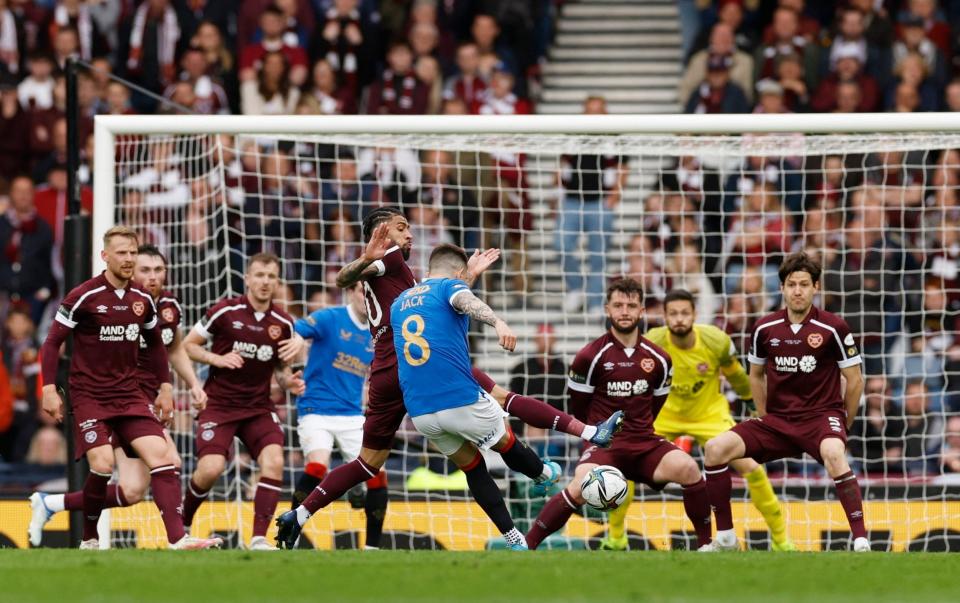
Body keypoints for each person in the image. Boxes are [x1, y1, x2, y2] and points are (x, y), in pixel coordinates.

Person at [275, 208, 623, 548]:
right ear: (381, 235)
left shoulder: (399, 283)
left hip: (385, 373)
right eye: (401, 227)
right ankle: (557, 464)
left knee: (367, 464)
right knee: (503, 404)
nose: (409, 234)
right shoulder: (390, 258)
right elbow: (345, 278)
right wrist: (368, 257)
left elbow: (435, 300)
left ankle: (301, 515)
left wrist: (464, 277)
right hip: (420, 366)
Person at [37, 226, 220, 550]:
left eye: (132, 253)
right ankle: (89, 536)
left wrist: (166, 387)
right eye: (122, 253)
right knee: (103, 464)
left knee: (164, 459)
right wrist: (49, 388)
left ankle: (178, 539)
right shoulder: (83, 296)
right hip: (90, 395)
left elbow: (157, 345)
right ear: (105, 256)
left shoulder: (143, 299)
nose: (128, 259)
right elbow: (51, 344)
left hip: (129, 395)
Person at [389, 243, 565, 549]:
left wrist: (466, 276)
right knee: (506, 442)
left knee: (472, 466)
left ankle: (513, 538)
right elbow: (464, 300)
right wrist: (497, 322)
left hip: (420, 412)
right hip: (459, 399)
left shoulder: (400, 302)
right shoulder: (451, 287)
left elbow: (444, 308)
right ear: (458, 273)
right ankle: (543, 474)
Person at [525, 278, 715, 550]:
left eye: (631, 305)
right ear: (607, 309)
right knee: (579, 485)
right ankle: (527, 544)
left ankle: (707, 545)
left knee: (689, 468)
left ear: (641, 311)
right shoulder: (589, 356)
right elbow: (579, 407)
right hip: (605, 445)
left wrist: (640, 431)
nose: (624, 311)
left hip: (644, 443)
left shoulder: (660, 358)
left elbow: (655, 405)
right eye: (618, 305)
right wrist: (595, 436)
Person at [600, 289, 795, 551]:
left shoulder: (715, 341)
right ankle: (615, 537)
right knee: (625, 468)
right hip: (664, 416)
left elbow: (736, 374)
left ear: (694, 314)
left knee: (751, 468)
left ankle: (781, 539)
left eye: (684, 313)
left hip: (709, 415)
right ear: (665, 317)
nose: (679, 319)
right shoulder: (652, 343)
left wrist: (751, 400)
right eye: (673, 314)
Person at [702, 252, 868, 552]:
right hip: (778, 421)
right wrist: (766, 416)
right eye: (792, 284)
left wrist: (844, 422)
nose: (798, 291)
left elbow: (855, 380)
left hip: (820, 418)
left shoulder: (834, 327)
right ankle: (725, 536)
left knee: (834, 451)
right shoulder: (764, 328)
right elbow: (755, 375)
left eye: (804, 284)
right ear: (782, 288)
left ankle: (860, 539)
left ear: (815, 287)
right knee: (715, 449)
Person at [180, 252, 305, 551]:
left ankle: (259, 539)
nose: (264, 282)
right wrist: (217, 358)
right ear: (247, 278)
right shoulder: (224, 311)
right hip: (219, 405)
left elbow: (280, 368)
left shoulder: (283, 323)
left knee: (274, 462)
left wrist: (288, 381)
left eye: (271, 277)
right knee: (210, 469)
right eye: (259, 275)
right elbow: (187, 345)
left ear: (277, 283)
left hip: (257, 407)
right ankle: (182, 526)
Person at [288, 282, 388, 549]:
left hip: (352, 415)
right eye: (362, 292)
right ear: (350, 292)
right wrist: (297, 339)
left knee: (378, 473)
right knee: (317, 467)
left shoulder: (378, 331)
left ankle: (373, 548)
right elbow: (297, 328)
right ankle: (291, 534)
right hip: (316, 410)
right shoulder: (330, 317)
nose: (366, 299)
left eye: (372, 295)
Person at [557, 96, 629, 314]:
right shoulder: (573, 135)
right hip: (572, 200)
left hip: (599, 201)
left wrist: (614, 196)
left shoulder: (615, 137)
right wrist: (556, 190)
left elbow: (623, 167)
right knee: (560, 244)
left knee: (599, 255)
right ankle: (576, 288)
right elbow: (561, 164)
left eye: (598, 111)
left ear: (605, 113)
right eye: (590, 110)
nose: (594, 115)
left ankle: (597, 300)